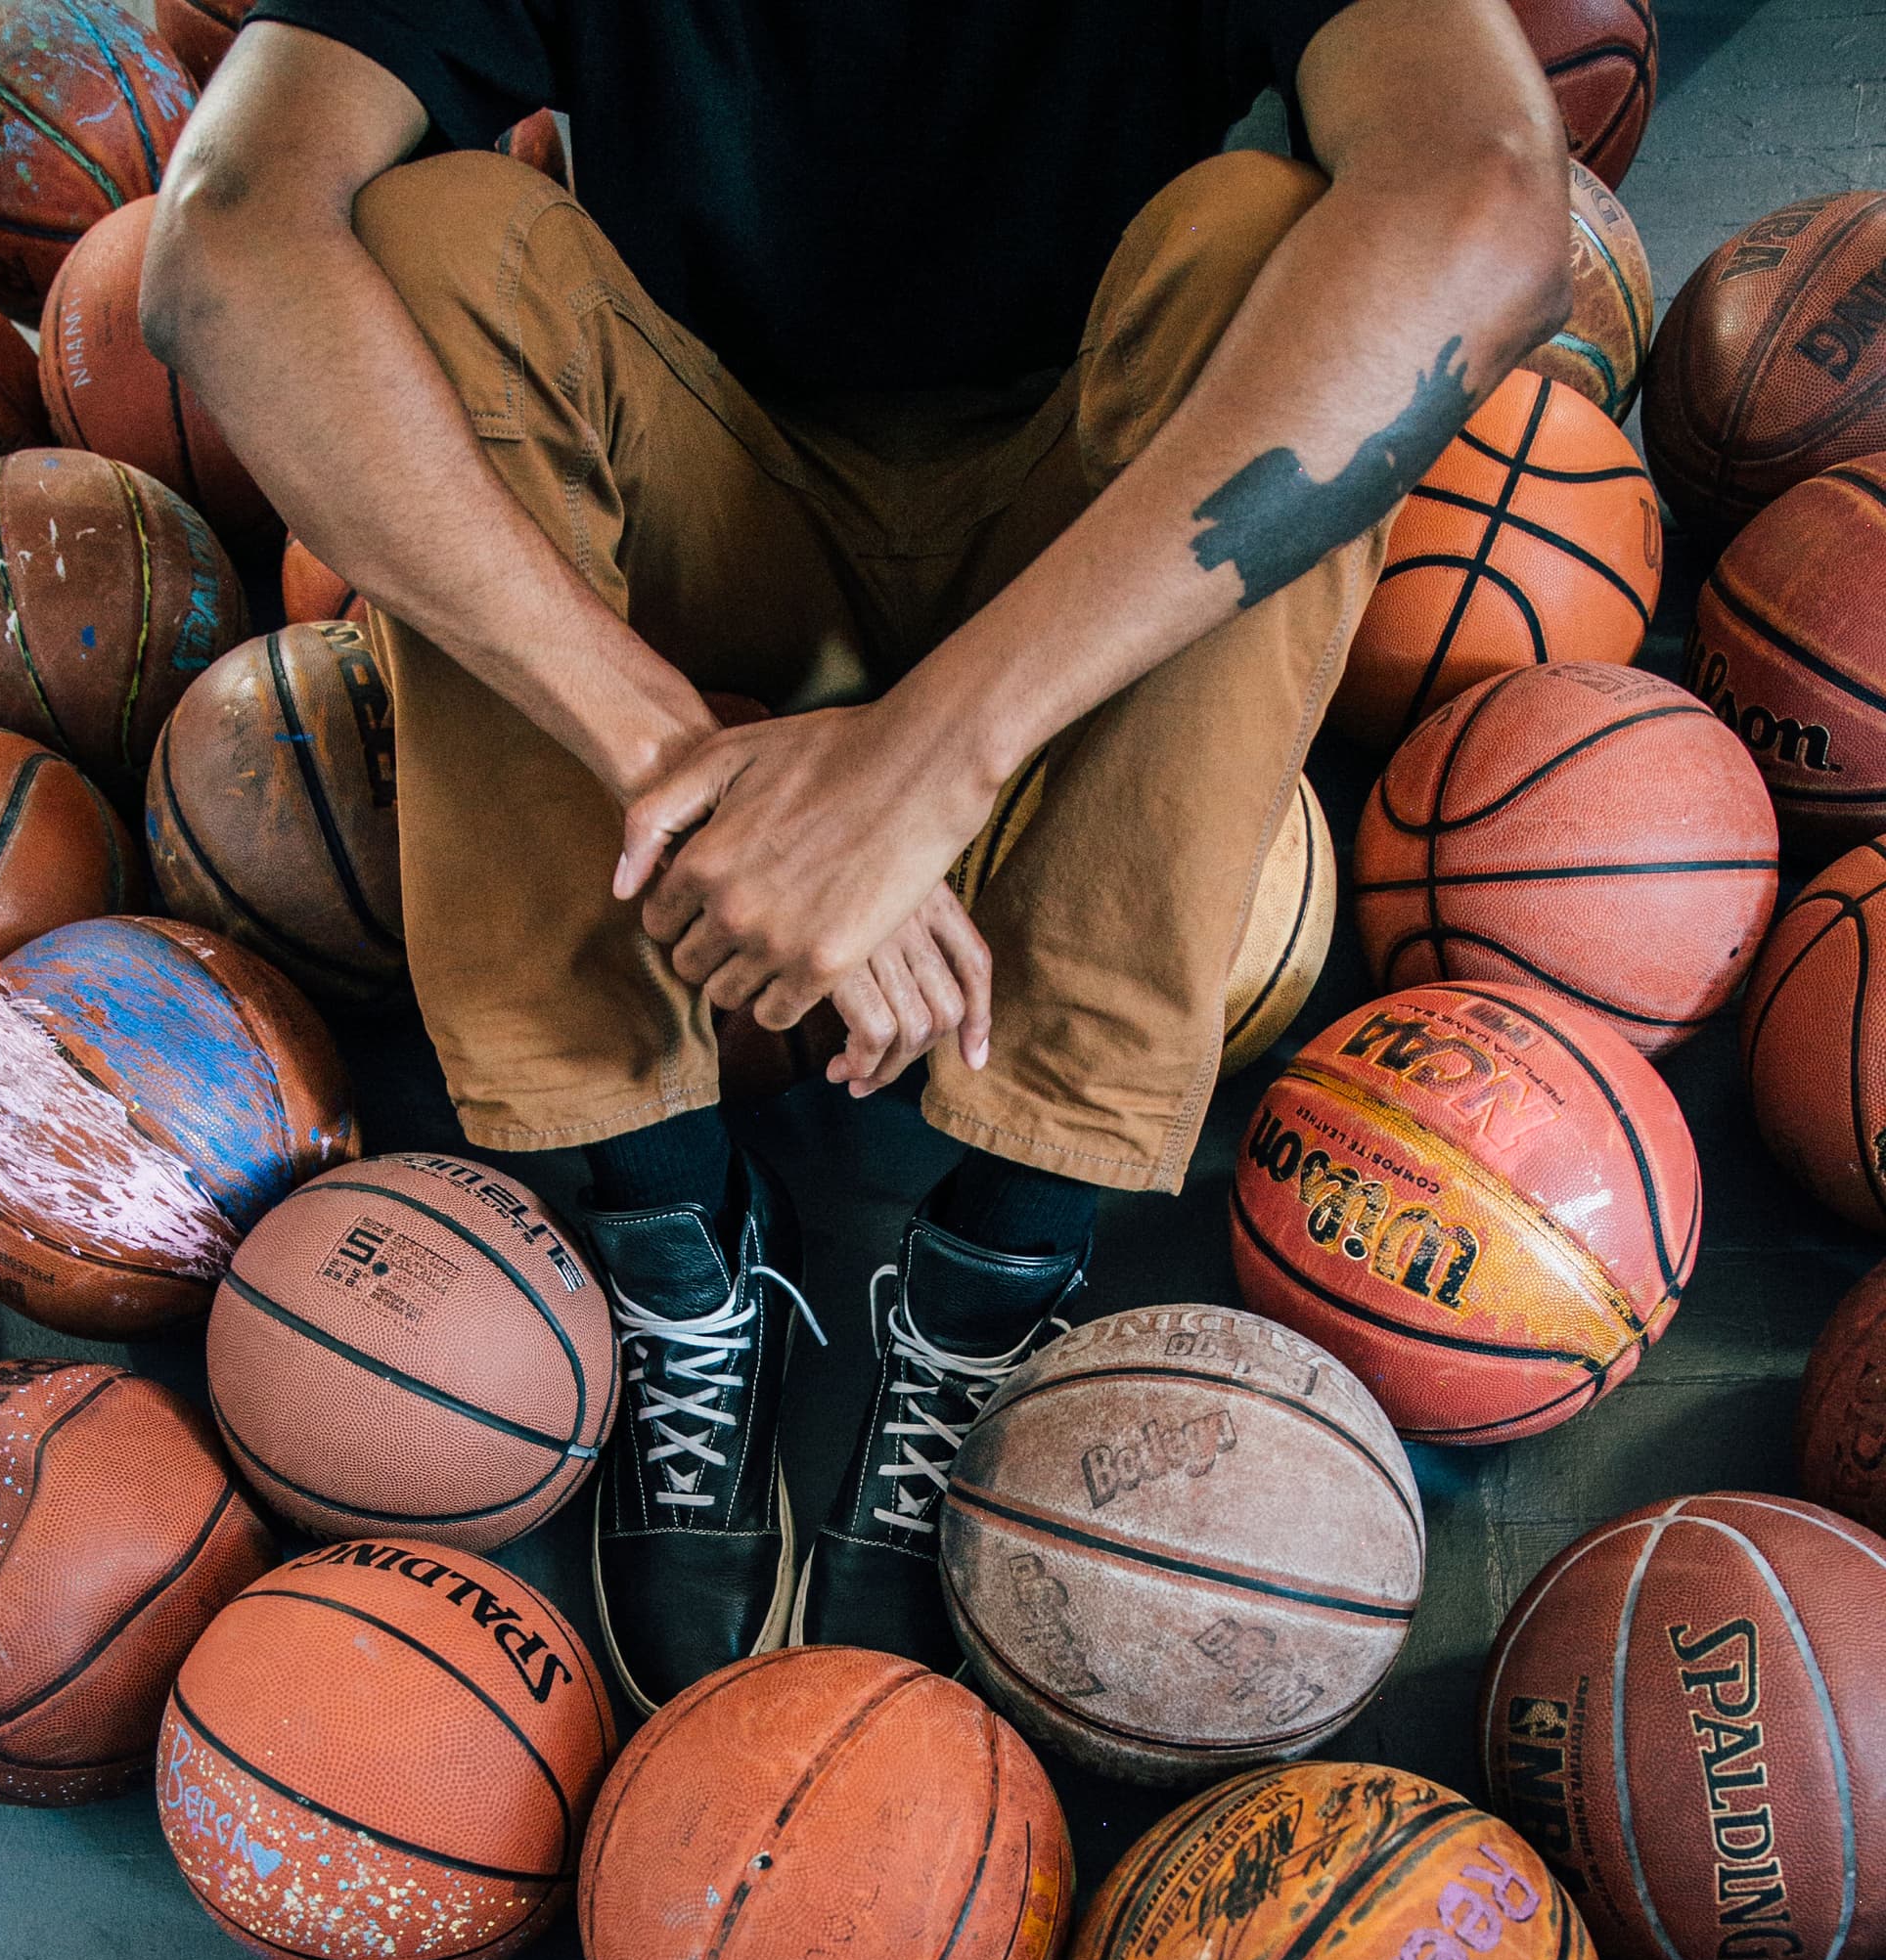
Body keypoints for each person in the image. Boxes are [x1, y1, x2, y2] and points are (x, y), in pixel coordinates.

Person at [143, 0, 1569, 1710]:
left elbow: (1489, 192)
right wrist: (668, 761)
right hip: (708, 509)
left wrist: (929, 764)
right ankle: (673, 1225)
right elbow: (225, 231)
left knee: (1289, 260)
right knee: (429, 237)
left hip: (1081, 538)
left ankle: (1001, 1263)